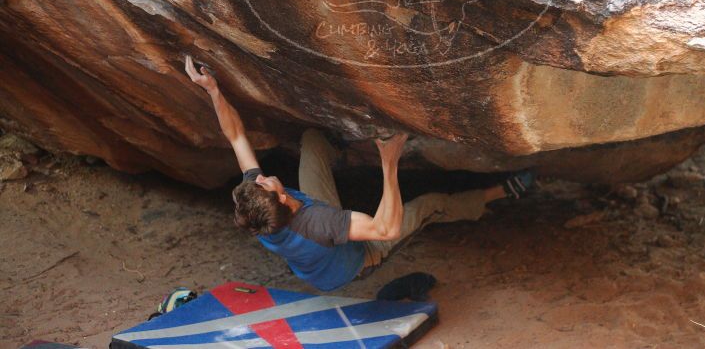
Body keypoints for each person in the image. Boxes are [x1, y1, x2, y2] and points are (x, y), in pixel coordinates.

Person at [184, 55, 535, 291]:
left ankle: (350, 144)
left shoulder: (259, 210)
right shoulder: (320, 223)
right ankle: (500, 192)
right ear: (283, 197)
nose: (259, 177)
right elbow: (386, 229)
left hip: (315, 237)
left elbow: (236, 136)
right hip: (358, 260)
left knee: (313, 142)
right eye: (264, 183)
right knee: (430, 205)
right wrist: (388, 162)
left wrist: (212, 90)